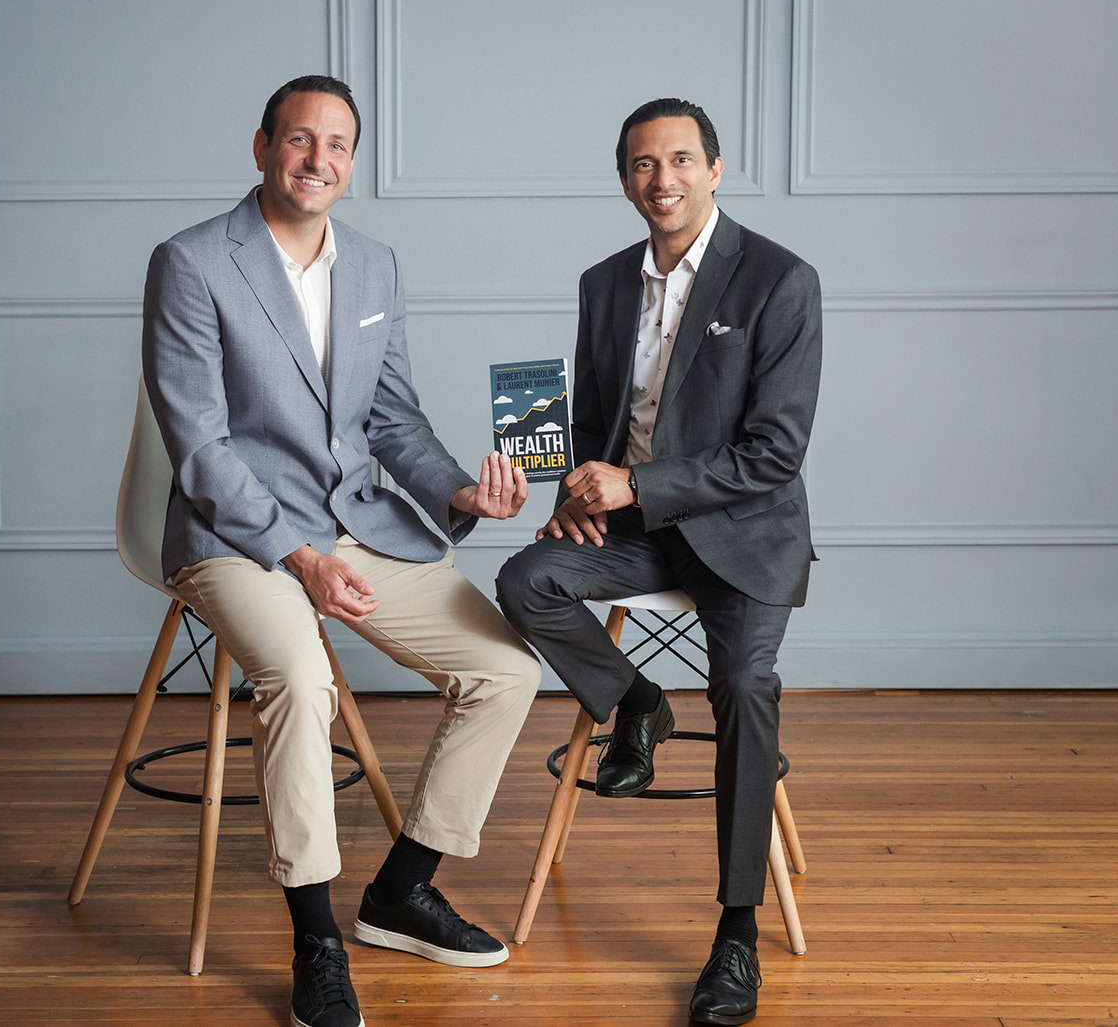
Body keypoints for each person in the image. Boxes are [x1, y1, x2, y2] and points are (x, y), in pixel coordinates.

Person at [143, 74, 541, 1027]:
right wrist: (298, 557)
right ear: (261, 147)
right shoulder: (192, 262)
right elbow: (200, 446)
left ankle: (402, 889)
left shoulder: (373, 264)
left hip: (360, 525)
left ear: (353, 162)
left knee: (505, 668)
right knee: (296, 675)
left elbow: (392, 417)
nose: (318, 160)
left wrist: (456, 489)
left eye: (338, 146)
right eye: (299, 140)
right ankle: (315, 940)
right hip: (240, 538)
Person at [495, 97, 821, 1026]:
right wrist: (569, 492)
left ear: (716, 169)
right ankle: (637, 701)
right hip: (633, 528)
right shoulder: (605, 282)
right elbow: (596, 417)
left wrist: (637, 488)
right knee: (527, 581)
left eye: (681, 159)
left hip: (743, 531)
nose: (662, 179)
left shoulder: (780, 281)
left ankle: (736, 931)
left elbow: (774, 453)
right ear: (624, 179)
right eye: (643, 164)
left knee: (747, 689)